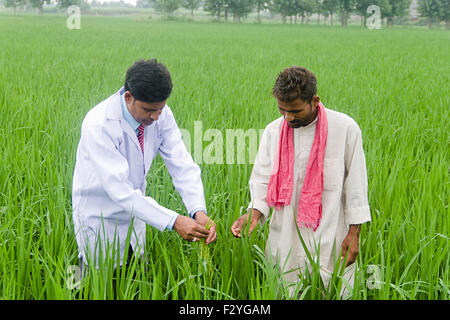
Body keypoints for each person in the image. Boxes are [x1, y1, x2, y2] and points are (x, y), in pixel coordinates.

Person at [231, 66, 371, 296]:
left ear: (315, 101)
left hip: (330, 233)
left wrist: (354, 234)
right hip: (284, 233)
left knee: (332, 290)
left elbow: (356, 186)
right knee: (284, 289)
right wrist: (254, 213)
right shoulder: (273, 131)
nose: (288, 117)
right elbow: (262, 180)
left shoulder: (345, 129)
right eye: (282, 110)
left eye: (295, 110)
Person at [72, 59, 216, 273]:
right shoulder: (100, 124)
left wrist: (198, 210)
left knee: (135, 278)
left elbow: (182, 163)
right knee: (99, 282)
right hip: (101, 218)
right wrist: (174, 221)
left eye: (161, 108)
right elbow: (120, 191)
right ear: (128, 97)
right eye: (149, 110)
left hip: (136, 216)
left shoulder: (160, 115)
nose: (156, 117)